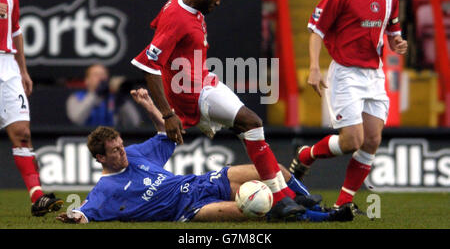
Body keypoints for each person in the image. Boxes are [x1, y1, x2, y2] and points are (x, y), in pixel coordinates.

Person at [131, 0, 304, 219]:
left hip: (205, 80)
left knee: (249, 129)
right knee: (252, 123)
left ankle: (290, 196)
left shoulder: (181, 1)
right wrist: (168, 114)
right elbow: (147, 65)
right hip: (192, 92)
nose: (219, 1)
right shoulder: (178, 18)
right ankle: (280, 199)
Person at [56, 88, 354, 223]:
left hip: (200, 182)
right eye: (114, 151)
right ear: (100, 159)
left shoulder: (134, 154)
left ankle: (303, 197)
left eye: (121, 145)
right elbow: (85, 212)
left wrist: (149, 106)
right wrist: (75, 216)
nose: (122, 152)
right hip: (187, 210)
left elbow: (165, 135)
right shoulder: (105, 190)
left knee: (276, 171)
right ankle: (324, 218)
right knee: (257, 209)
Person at [289, 0, 408, 211]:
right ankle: (306, 154)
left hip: (374, 74)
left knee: (372, 140)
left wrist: (398, 43)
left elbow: (392, 31)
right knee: (352, 140)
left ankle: (345, 202)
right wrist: (315, 68)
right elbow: (316, 30)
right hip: (346, 74)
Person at [0, 0, 63, 216]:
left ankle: (37, 196)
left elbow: (15, 31)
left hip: (8, 66)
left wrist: (23, 70)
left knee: (22, 132)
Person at [66, 64, 142, 128]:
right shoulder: (76, 97)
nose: (101, 78)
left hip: (110, 140)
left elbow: (134, 123)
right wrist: (95, 95)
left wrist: (122, 102)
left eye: (103, 74)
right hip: (84, 139)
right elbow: (76, 120)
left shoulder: (114, 98)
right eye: (96, 75)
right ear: (87, 80)